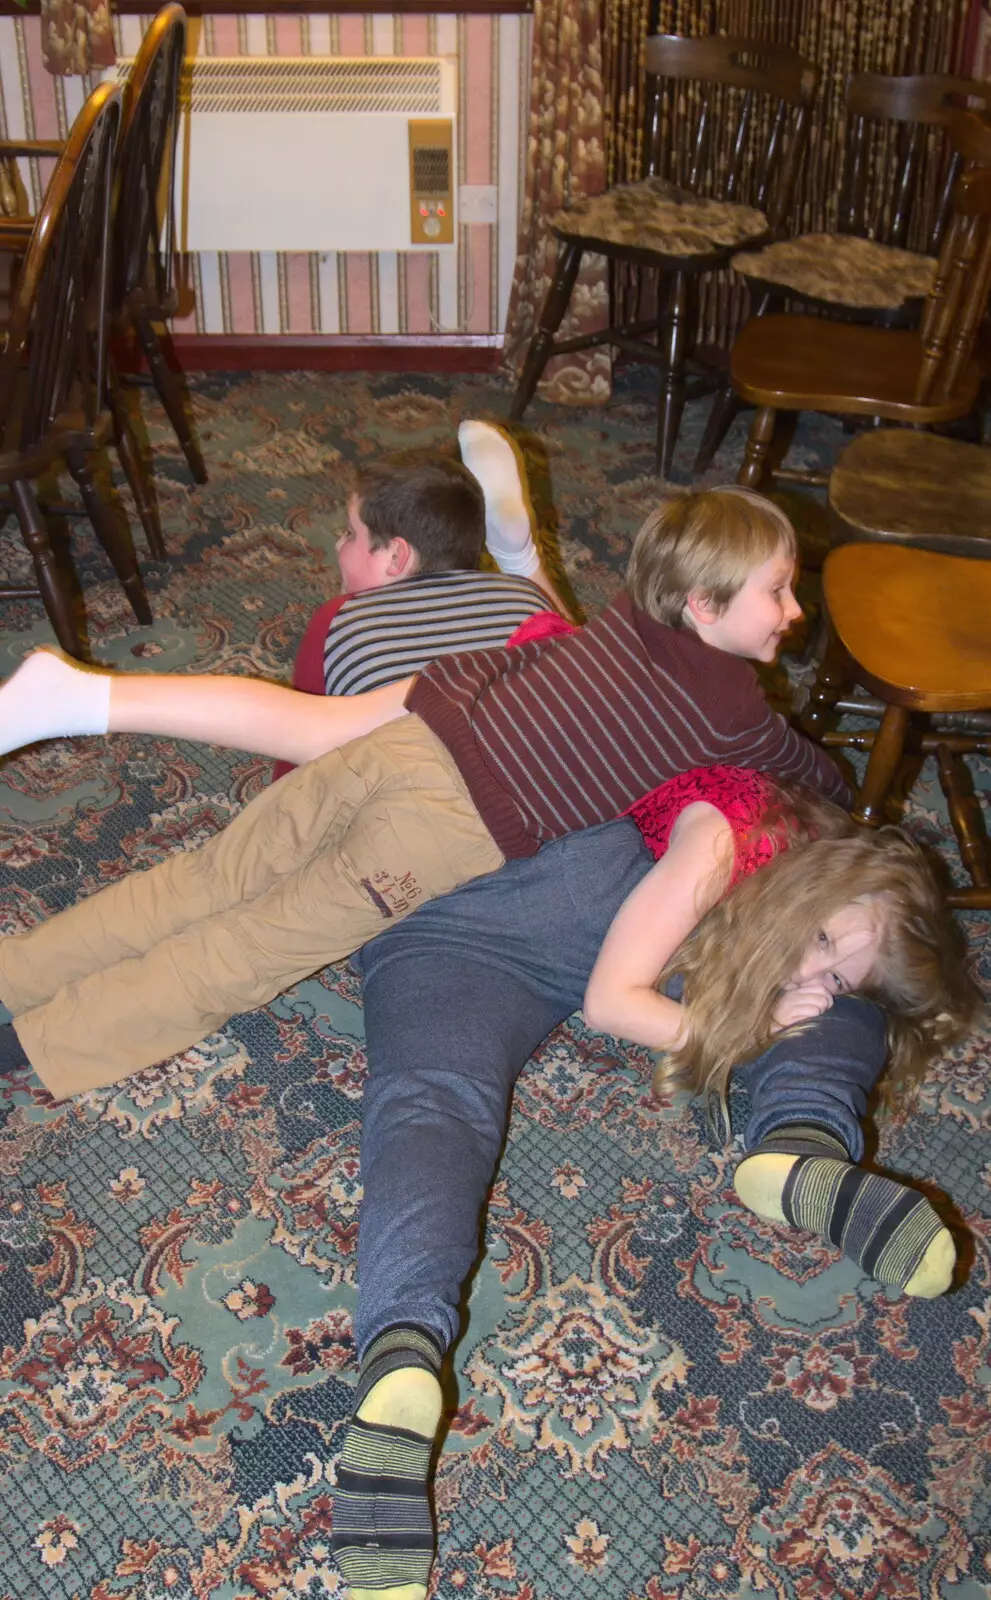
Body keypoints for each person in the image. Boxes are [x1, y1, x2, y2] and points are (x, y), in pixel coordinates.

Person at [325, 768, 979, 1600]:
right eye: (820, 940)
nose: (815, 964)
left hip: (581, 929)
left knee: (836, 1010)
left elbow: (819, 959)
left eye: (834, 959)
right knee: (433, 1108)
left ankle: (799, 1153)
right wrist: (738, 1038)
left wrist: (817, 993)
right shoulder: (726, 841)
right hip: (473, 924)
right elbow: (612, 1002)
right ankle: (398, 1364)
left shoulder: (792, 889)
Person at [0, 482, 853, 1093]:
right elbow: (800, 768)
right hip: (443, 828)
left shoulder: (629, 610)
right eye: (775, 592)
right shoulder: (730, 705)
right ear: (702, 606)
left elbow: (549, 627)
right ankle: (37, 1047)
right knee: (254, 947)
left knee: (210, 878)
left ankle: (16, 973)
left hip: (406, 743)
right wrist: (841, 788)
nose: (792, 612)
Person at [0, 423, 569, 764]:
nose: (335, 543)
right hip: (559, 766)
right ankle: (521, 557)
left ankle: (80, 698)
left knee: (313, 727)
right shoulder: (524, 606)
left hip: (433, 795)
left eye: (350, 534)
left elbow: (299, 755)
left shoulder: (342, 622)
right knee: (581, 659)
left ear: (396, 557)